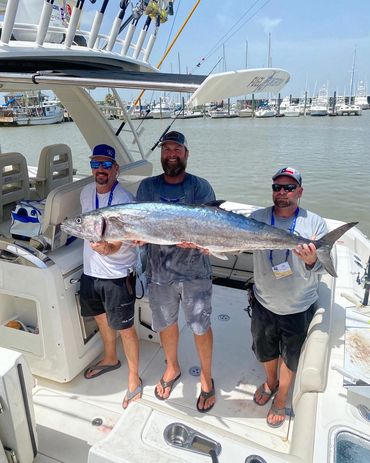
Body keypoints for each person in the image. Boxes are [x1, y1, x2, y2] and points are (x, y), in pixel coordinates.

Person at [136, 130, 216, 413]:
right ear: (161, 154)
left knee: (200, 325)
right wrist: (138, 237)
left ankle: (206, 378)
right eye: (166, 149)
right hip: (159, 273)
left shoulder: (200, 187)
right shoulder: (147, 187)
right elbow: (141, 227)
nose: (171, 154)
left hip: (195, 272)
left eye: (177, 149)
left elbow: (210, 225)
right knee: (166, 324)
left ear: (186, 154)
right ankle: (172, 367)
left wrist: (207, 242)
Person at [250, 167, 328, 427]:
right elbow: (236, 243)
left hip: (298, 305)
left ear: (300, 191)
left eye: (288, 187)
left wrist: (311, 260)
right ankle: (270, 382)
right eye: (277, 187)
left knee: (291, 356)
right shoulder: (257, 217)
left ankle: (281, 397)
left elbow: (322, 267)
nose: (281, 192)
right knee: (265, 350)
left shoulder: (315, 223)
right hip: (263, 301)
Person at [79, 143, 142, 409]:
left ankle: (133, 377)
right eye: (96, 164)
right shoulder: (85, 193)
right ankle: (109, 358)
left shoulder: (124, 199)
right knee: (102, 319)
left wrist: (108, 248)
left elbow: (126, 239)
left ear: (116, 169)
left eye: (106, 165)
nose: (100, 170)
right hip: (90, 271)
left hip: (117, 274)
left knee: (125, 328)